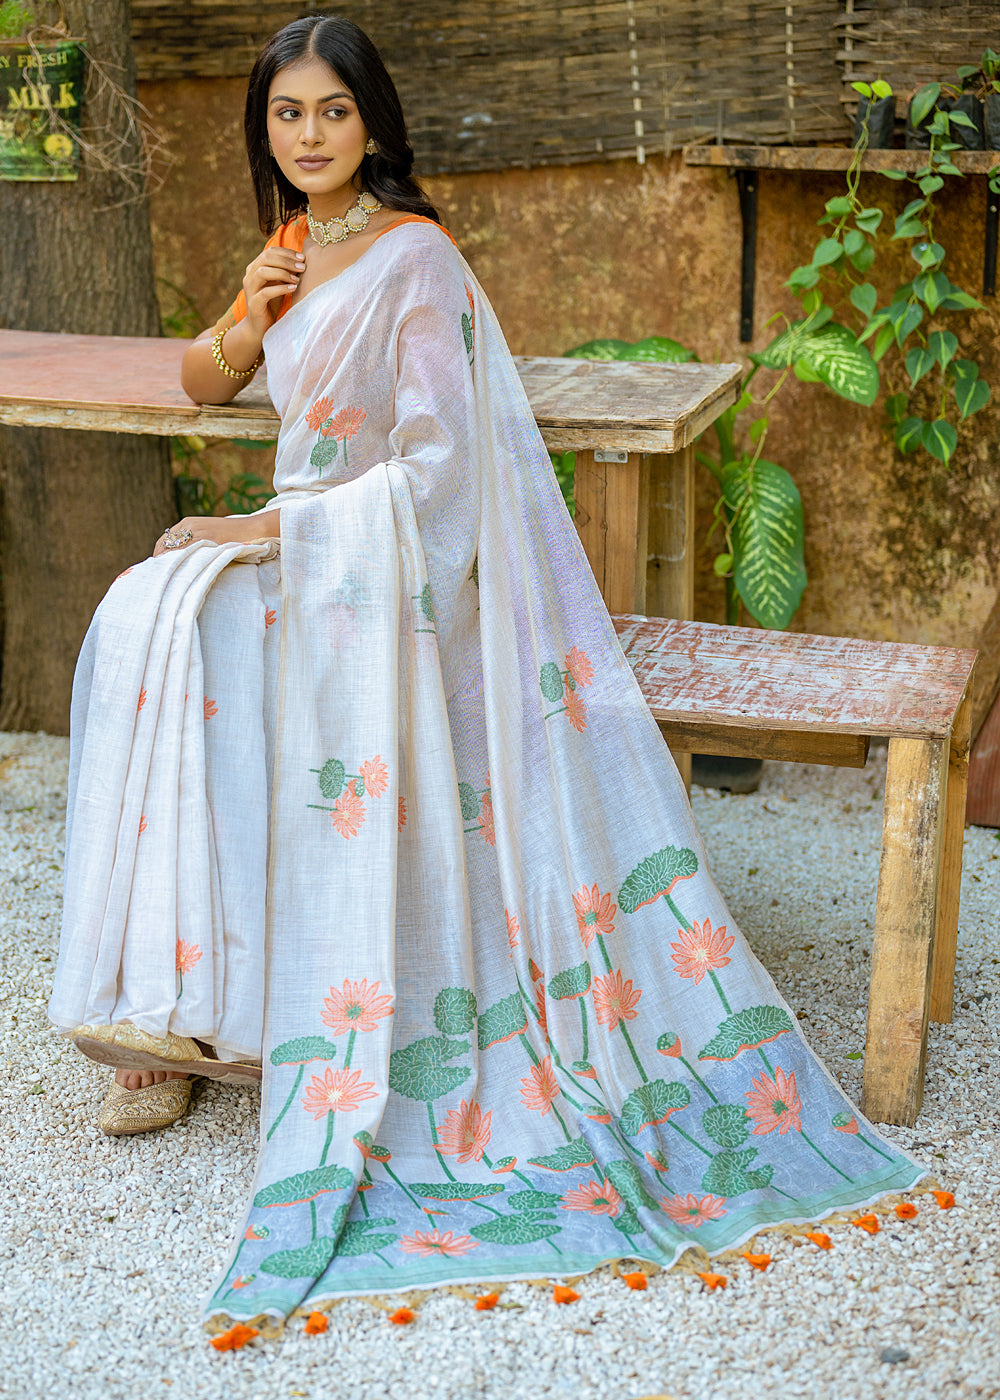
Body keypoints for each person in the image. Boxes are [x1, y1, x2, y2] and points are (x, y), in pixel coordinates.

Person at [49, 13, 922, 1330]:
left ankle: (258, 1004)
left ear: (374, 124)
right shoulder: (290, 247)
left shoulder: (418, 260)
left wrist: (268, 530)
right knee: (144, 619)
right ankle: (175, 1012)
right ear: (263, 129)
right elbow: (198, 384)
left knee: (207, 625)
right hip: (311, 552)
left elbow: (441, 475)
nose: (308, 135)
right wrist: (250, 316)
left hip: (386, 569)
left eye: (331, 111)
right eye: (286, 113)